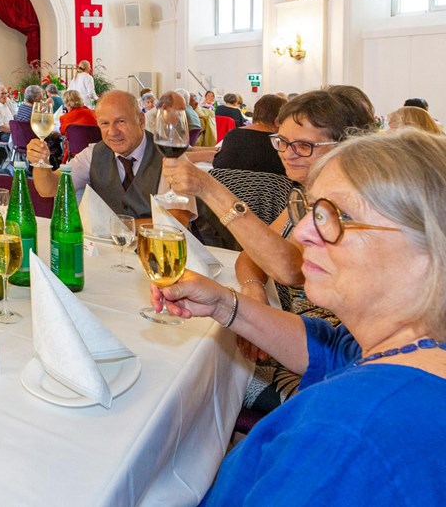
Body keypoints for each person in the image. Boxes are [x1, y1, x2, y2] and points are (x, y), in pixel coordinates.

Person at [153, 128, 446, 505]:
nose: (304, 231)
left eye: (336, 215)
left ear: (428, 253)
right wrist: (225, 305)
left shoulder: (344, 436)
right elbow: (332, 352)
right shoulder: (413, 346)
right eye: (310, 210)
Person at [162, 87, 377, 413]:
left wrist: (210, 189)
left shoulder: (356, 209)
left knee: (194, 375)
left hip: (331, 358)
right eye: (282, 141)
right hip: (296, 332)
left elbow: (290, 268)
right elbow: (253, 255)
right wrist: (253, 291)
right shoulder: (302, 193)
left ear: (344, 147)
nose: (288, 153)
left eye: (303, 145)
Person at [28, 90, 192, 223]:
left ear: (141, 120)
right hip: (109, 257)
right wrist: (39, 162)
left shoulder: (168, 156)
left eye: (121, 121)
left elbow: (178, 222)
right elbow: (49, 189)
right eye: (104, 123)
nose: (112, 132)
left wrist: (115, 227)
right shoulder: (93, 154)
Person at [212, 93, 288, 175]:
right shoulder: (281, 143)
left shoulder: (233, 135)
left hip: (231, 186)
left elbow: (219, 165)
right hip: (272, 186)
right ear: (278, 121)